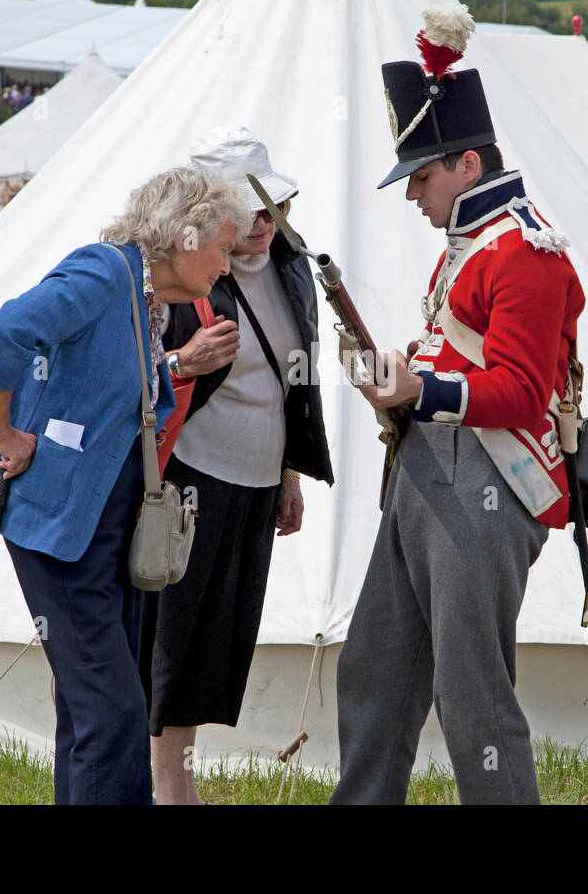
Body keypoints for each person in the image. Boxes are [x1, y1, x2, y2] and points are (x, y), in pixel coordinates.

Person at [329, 4, 585, 805]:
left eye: (423, 174)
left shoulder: (527, 253)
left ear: (468, 165)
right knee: (374, 669)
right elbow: (458, 352)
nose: (412, 194)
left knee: (473, 698)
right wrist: (404, 375)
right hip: (425, 471)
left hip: (487, 483)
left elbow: (521, 391)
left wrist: (420, 389)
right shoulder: (475, 248)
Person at [0, 165, 249, 805]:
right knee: (112, 710)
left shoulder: (146, 301)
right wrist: (3, 433)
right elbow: (6, 331)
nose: (227, 266)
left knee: (99, 708)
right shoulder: (102, 272)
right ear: (187, 234)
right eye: (225, 248)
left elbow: (111, 393)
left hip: (108, 528)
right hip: (62, 526)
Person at [142, 126, 334, 805]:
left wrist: (289, 474)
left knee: (216, 637)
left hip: (255, 483)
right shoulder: (179, 279)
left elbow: (292, 383)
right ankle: (167, 784)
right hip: (192, 476)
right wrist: (184, 363)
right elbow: (132, 375)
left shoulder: (291, 271)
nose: (260, 221)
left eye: (268, 206)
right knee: (173, 634)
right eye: (245, 209)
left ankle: (177, 775)